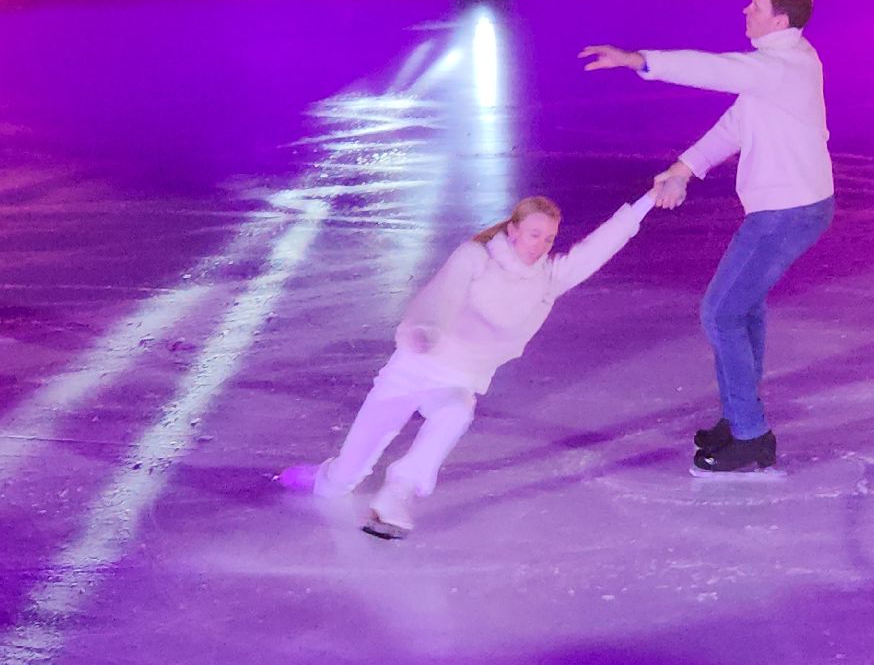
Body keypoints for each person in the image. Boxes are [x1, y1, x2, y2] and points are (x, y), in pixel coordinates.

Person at [279, 192, 655, 538]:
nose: (539, 246)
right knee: (343, 480)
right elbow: (442, 296)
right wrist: (425, 329)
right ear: (513, 230)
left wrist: (651, 198)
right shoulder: (476, 257)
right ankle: (325, 478)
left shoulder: (547, 279)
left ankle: (399, 492)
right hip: (414, 366)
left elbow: (599, 247)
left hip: (458, 379)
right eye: (533, 234)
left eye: (548, 239)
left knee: (457, 412)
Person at [579, 0, 832, 474]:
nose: (746, 11)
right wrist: (682, 169)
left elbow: (712, 70)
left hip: (788, 213)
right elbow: (736, 124)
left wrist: (638, 60)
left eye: (755, 6)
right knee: (743, 308)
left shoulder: (780, 68)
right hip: (793, 208)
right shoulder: (780, 67)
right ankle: (742, 415)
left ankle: (751, 435)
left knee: (721, 312)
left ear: (779, 19)